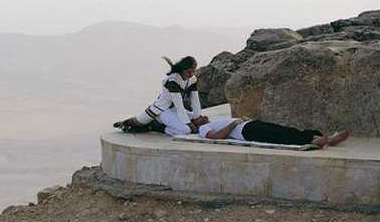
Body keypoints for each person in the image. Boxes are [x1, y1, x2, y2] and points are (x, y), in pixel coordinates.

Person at [114, 56, 207, 135]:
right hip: (162, 111)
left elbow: (195, 100)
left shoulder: (192, 80)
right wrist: (189, 124)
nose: (191, 74)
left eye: (193, 71)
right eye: (188, 72)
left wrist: (197, 117)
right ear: (182, 70)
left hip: (174, 110)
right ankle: (156, 127)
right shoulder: (172, 81)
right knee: (186, 130)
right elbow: (179, 105)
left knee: (204, 122)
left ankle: (160, 124)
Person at [183, 116, 351, 147]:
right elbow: (216, 137)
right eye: (197, 118)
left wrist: (242, 119)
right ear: (195, 124)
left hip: (250, 125)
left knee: (286, 129)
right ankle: (316, 141)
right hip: (246, 132)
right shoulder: (204, 129)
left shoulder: (213, 121)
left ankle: (322, 138)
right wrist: (234, 124)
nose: (202, 116)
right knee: (280, 136)